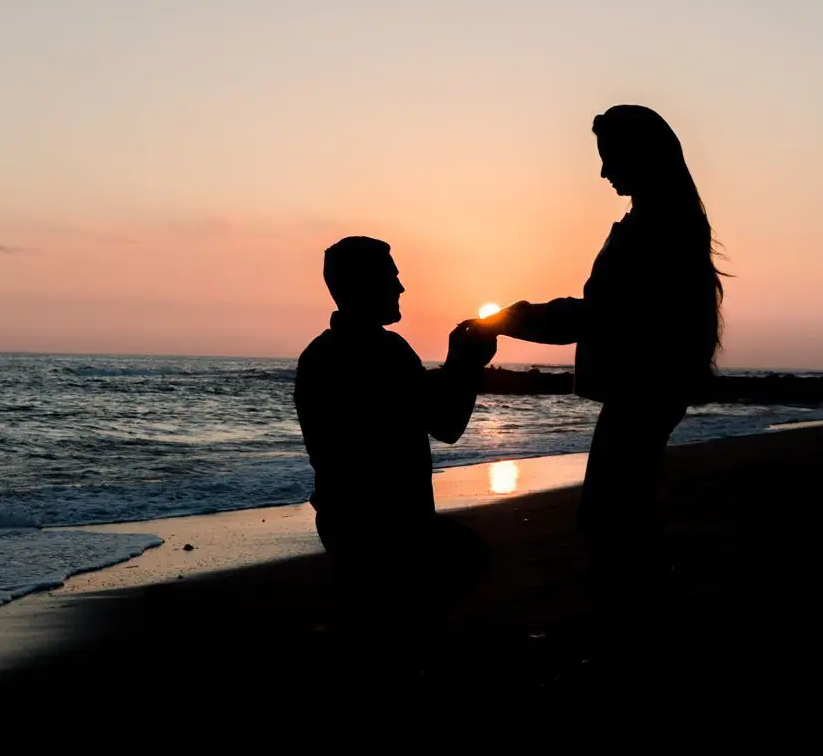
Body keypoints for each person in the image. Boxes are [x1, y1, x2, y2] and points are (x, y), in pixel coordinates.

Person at [488, 105, 724, 636]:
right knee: (624, 519)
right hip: (651, 388)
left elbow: (600, 314)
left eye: (608, 157)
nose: (602, 172)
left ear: (640, 155)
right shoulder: (669, 220)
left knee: (609, 523)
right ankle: (634, 635)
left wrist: (513, 319)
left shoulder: (655, 228)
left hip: (641, 390)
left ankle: (626, 642)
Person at [294, 236, 497, 629]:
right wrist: (466, 365)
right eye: (391, 277)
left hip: (350, 522)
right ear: (360, 284)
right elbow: (446, 423)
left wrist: (460, 367)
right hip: (382, 529)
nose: (401, 288)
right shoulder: (379, 353)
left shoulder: (329, 353)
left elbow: (430, 413)